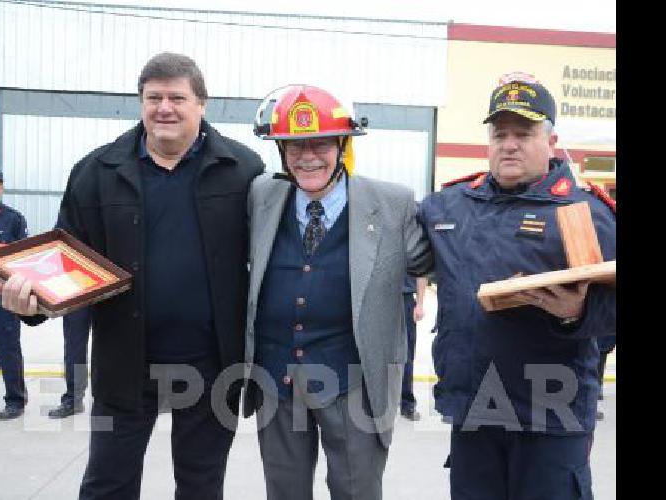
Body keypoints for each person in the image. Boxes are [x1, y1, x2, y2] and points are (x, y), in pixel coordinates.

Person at [0, 52, 265, 500]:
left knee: (201, 485)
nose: (164, 108)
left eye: (177, 97)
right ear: (140, 102)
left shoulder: (243, 171)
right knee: (106, 485)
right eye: (153, 97)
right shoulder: (96, 173)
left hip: (213, 363)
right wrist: (33, 304)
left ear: (202, 104)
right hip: (124, 362)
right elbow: (62, 265)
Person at [417, 73, 616, 499]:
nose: (509, 144)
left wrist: (576, 314)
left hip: (550, 418)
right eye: (499, 133)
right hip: (474, 414)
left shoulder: (585, 212)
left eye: (523, 133)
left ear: (550, 139)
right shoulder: (449, 206)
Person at [245, 84, 433, 500]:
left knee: (357, 492)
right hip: (276, 378)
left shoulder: (392, 205)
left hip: (354, 383)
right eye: (294, 145)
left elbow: (435, 260)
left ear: (342, 145)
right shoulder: (261, 196)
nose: (307, 155)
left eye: (320, 143)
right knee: (284, 492)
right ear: (281, 152)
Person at [0, 165, 30, 420]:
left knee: (7, 348)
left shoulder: (13, 219)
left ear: (1, 187)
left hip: (0, 296)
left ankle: (15, 399)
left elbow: (26, 258)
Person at [49, 307, 91, 418]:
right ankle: (74, 399)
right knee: (75, 346)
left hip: (111, 293)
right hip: (79, 292)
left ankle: (114, 399)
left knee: (112, 344)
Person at [400, 276, 427, 421]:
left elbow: (421, 273)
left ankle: (407, 403)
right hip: (380, 299)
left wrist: (420, 304)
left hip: (405, 300)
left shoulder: (412, 251)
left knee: (407, 354)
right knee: (378, 353)